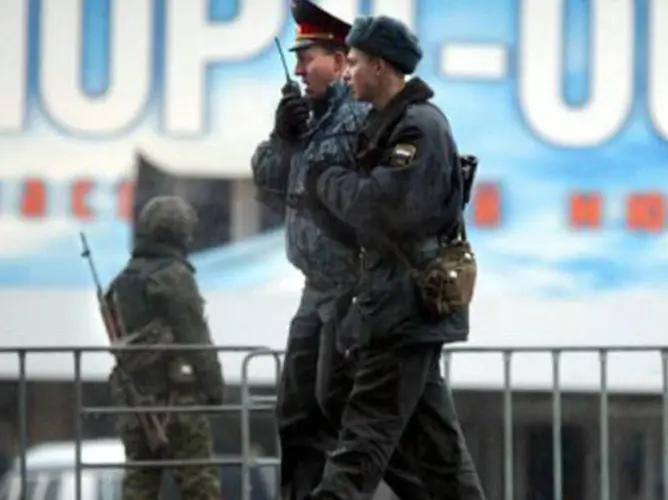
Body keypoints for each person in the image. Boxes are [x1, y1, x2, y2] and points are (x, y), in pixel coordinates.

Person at [302, 15, 486, 500]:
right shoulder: (389, 124)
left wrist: (326, 180)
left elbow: (380, 207)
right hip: (396, 306)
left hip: (405, 307)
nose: (346, 72)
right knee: (441, 458)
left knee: (362, 441)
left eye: (355, 63)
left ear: (380, 67)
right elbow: (355, 221)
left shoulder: (418, 129)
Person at [251, 2, 427, 499]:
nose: (302, 69)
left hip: (356, 287)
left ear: (338, 58)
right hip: (317, 288)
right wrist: (283, 138)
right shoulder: (306, 117)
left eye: (310, 57)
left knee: (358, 415)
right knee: (298, 413)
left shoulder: (361, 116)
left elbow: (366, 200)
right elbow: (268, 187)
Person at [107, 195, 225, 500]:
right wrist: (214, 388)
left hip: (136, 400)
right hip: (177, 401)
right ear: (181, 233)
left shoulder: (124, 280)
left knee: (140, 481)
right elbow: (195, 338)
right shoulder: (174, 276)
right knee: (200, 483)